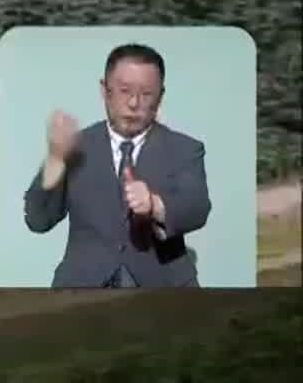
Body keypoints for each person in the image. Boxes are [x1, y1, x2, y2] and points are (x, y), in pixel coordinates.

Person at [24, 43, 210, 287]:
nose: (134, 103)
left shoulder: (185, 149)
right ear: (105, 90)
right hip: (82, 293)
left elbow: (196, 208)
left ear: (161, 96)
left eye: (146, 94)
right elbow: (38, 220)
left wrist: (155, 205)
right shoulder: (75, 147)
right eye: (124, 91)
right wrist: (55, 159)